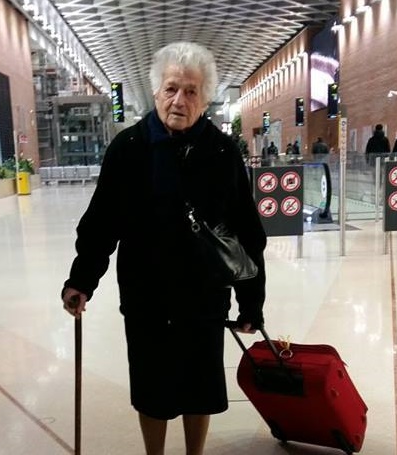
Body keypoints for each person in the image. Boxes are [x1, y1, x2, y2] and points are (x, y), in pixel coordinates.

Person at [61, 41, 267, 455]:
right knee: (151, 389)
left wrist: (251, 302)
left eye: (191, 91)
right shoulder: (129, 149)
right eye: (171, 88)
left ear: (204, 99)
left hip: (204, 295)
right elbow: (102, 222)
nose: (179, 100)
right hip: (146, 296)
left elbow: (246, 232)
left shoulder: (222, 152)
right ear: (156, 91)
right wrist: (82, 279)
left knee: (200, 388)